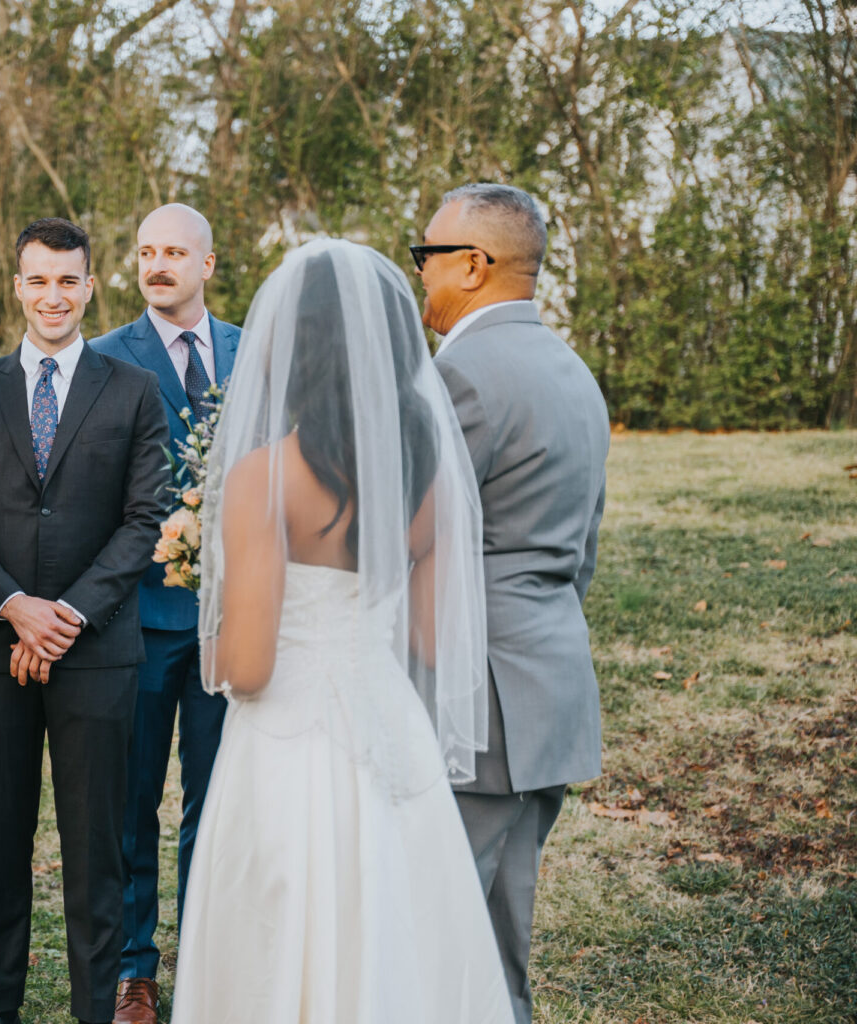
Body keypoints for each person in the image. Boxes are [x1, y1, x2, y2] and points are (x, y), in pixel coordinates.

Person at [172, 239, 512, 1024]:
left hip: (287, 743)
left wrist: (208, 615)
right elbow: (430, 637)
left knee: (280, 931)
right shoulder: (427, 467)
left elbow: (249, 666)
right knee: (397, 925)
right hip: (389, 730)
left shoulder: (264, 475)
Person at [0, 217, 169, 1024]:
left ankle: (94, 1013)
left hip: (96, 653)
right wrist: (13, 608)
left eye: (68, 280)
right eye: (38, 279)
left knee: (96, 857)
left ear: (92, 287)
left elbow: (144, 519)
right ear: (18, 286)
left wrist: (64, 615)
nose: (53, 295)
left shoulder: (132, 391)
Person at [418, 183, 609, 1024]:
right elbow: (583, 549)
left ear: (474, 264)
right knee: (499, 939)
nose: (418, 274)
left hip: (480, 702)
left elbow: (416, 544)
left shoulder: (460, 375)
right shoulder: (572, 370)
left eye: (427, 257)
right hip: (552, 684)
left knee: (449, 943)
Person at [89, 203, 239, 1024]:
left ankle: (214, 957)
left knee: (217, 801)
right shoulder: (106, 357)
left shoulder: (256, 352)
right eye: (145, 252)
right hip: (136, 621)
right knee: (131, 800)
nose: (157, 264)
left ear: (207, 263)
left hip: (232, 621)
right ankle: (133, 971)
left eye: (174, 251)